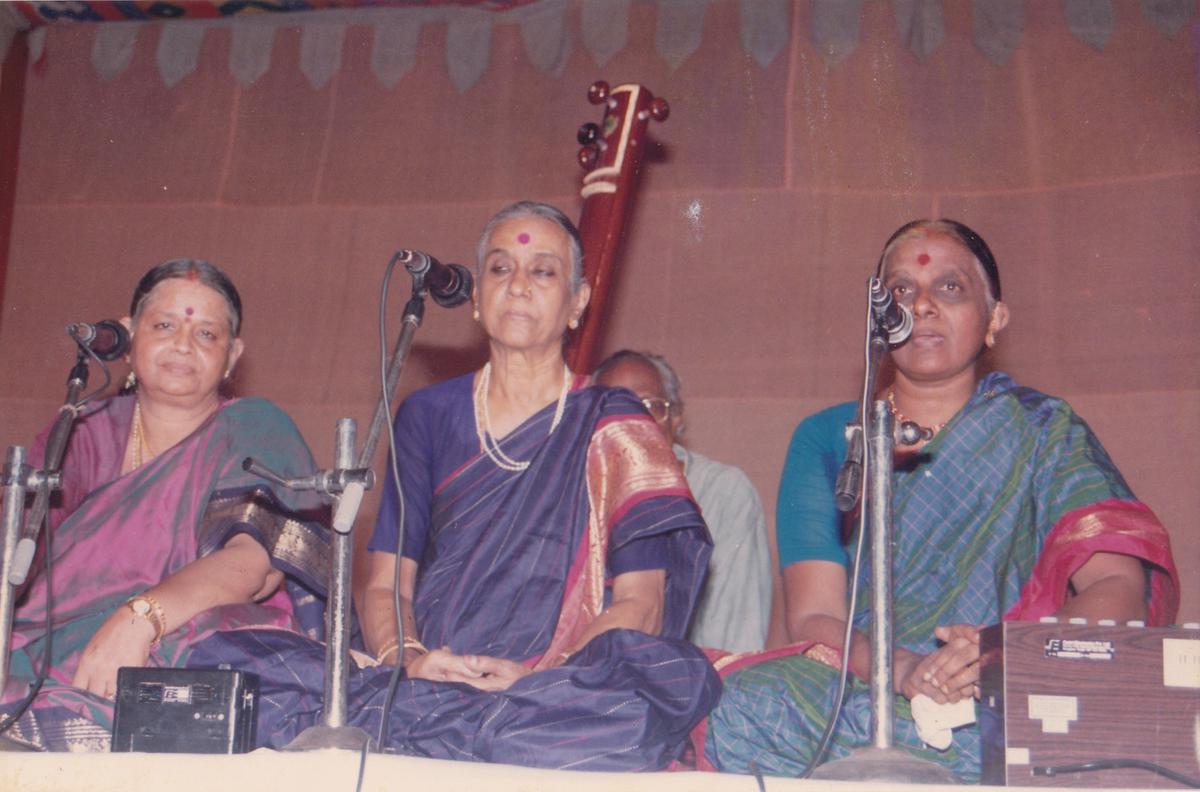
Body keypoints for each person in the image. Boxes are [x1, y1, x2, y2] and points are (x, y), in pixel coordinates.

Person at [191, 201, 720, 769]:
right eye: (499, 269)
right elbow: (386, 585)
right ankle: (457, 724)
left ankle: (467, 728)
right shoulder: (427, 415)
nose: (518, 286)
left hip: (561, 684)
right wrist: (411, 657)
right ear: (474, 298)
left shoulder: (616, 423)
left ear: (578, 302)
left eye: (542, 271)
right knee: (226, 667)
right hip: (432, 675)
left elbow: (642, 605)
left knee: (640, 695)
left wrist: (542, 675)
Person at [700, 219, 1180, 781]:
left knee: (1057, 721)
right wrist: (900, 670)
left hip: (1007, 691)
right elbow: (815, 616)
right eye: (901, 291)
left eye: (949, 288)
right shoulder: (829, 438)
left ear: (995, 318)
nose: (922, 305)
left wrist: (1006, 655)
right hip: (867, 687)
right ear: (879, 320)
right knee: (745, 701)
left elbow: (1116, 585)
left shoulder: (1042, 431)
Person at [0, 259, 329, 751]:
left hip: (183, 634)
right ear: (130, 336)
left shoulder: (255, 426)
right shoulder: (81, 432)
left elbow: (253, 565)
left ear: (232, 355)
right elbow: (15, 555)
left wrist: (141, 616)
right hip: (52, 647)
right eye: (164, 325)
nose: (182, 344)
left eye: (206, 334)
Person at [593, 350, 771, 654]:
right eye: (614, 408)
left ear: (674, 419)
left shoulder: (723, 492)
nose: (634, 423)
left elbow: (733, 641)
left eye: (650, 406)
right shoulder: (580, 497)